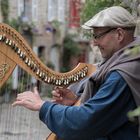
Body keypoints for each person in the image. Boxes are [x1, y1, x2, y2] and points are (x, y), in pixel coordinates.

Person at [12, 6, 140, 140]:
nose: (94, 42)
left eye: (98, 36)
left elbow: (85, 122)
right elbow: (107, 112)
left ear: (119, 34)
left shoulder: (123, 74)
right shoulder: (125, 60)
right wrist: (77, 100)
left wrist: (42, 105)